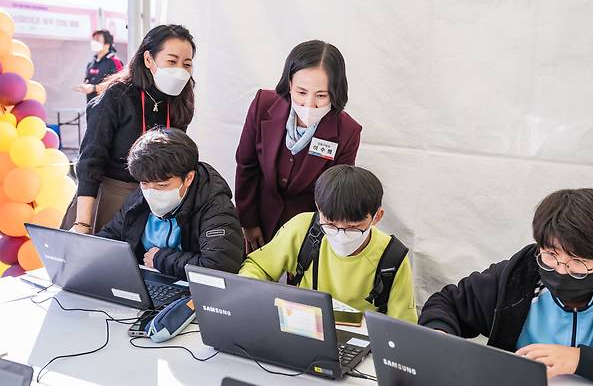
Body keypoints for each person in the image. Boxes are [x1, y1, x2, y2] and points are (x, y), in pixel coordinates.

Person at [418, 188, 593, 386]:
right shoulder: (518, 277)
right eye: (551, 255)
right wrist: (439, 336)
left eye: (578, 262)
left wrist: (582, 360)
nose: (561, 270)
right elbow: (448, 303)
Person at [239, 165, 417, 323]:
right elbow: (258, 266)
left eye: (353, 228)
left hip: (362, 345)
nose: (341, 235)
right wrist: (249, 294)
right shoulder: (303, 229)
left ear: (377, 217)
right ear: (318, 207)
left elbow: (403, 327)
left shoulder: (392, 257)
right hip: (302, 327)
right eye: (331, 224)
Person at [64, 24, 196, 234]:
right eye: (172, 61)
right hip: (109, 197)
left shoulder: (181, 101)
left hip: (154, 203)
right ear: (148, 60)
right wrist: (83, 223)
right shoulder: (118, 95)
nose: (180, 70)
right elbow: (90, 160)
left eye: (187, 64)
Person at [235, 40, 362, 253]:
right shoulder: (263, 104)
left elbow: (332, 197)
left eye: (321, 95)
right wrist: (248, 222)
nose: (309, 104)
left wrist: (307, 244)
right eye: (301, 92)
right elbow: (246, 166)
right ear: (289, 84)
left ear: (335, 92)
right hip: (258, 217)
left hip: (308, 232)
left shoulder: (348, 132)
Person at [97, 128, 244, 279]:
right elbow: (112, 234)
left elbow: (220, 266)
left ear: (188, 178)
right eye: (145, 183)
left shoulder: (215, 207)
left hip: (192, 290)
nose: (151, 192)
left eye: (162, 186)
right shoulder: (141, 196)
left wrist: (161, 259)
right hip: (148, 282)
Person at [74, 29, 123, 103]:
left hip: (110, 109)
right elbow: (87, 80)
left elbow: (119, 85)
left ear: (107, 45)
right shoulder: (91, 64)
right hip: (92, 107)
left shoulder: (114, 62)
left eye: (97, 40)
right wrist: (84, 86)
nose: (94, 43)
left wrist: (94, 88)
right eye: (93, 40)